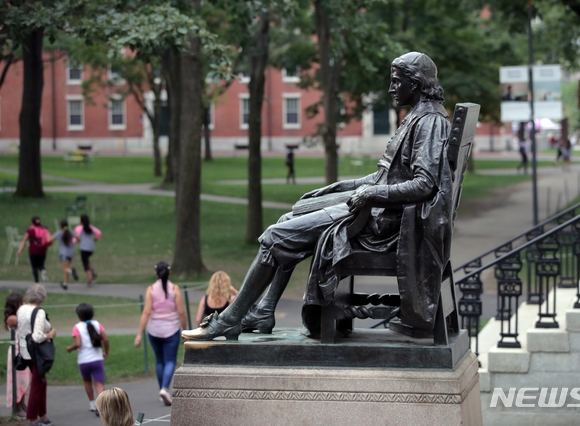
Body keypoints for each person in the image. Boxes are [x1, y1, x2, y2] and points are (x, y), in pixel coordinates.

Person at [183, 51, 454, 341]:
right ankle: (264, 309)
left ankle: (230, 318)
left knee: (276, 236)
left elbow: (425, 185)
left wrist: (371, 192)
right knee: (291, 216)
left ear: (416, 83)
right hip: (378, 212)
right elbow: (388, 176)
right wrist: (341, 187)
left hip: (383, 226)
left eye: (396, 82)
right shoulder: (419, 117)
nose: (391, 88)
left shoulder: (429, 123)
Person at [134, 261, 187, 406]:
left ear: (155, 273)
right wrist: (185, 329)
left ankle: (161, 389)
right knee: (170, 360)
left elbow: (146, 312)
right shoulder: (175, 289)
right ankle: (164, 388)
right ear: (169, 273)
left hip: (154, 331)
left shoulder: (150, 289)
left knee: (159, 361)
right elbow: (181, 312)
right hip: (172, 330)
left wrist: (139, 334)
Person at [17, 284, 55, 426]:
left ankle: (43, 415)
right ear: (43, 297)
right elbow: (37, 336)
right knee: (37, 384)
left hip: (24, 351)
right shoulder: (39, 312)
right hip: (36, 353)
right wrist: (50, 334)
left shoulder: (21, 309)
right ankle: (32, 418)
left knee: (41, 382)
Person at [66, 303, 110, 416]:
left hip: (84, 361)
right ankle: (102, 406)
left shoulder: (77, 327)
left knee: (87, 381)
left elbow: (78, 343)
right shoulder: (97, 324)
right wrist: (106, 352)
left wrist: (70, 348)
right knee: (99, 384)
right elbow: (105, 340)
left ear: (79, 316)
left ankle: (92, 403)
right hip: (97, 359)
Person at [4, 293, 31, 418]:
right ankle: (17, 405)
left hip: (25, 349)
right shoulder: (12, 318)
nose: (24, 304)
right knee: (18, 379)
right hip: (17, 351)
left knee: (25, 379)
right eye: (22, 302)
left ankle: (23, 403)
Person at [16, 217, 53, 283]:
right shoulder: (44, 229)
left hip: (33, 250)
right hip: (43, 250)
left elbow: (24, 241)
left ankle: (36, 282)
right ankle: (42, 270)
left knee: (34, 266)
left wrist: (20, 250)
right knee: (41, 264)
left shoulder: (30, 230)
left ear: (32, 222)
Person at [74, 214, 102, 286]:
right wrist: (95, 239)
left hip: (84, 248)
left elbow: (76, 237)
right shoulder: (91, 227)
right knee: (86, 260)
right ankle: (93, 271)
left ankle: (90, 280)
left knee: (85, 264)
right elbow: (99, 232)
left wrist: (73, 243)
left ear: (81, 221)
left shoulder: (79, 228)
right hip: (91, 248)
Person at [52, 219, 79, 290]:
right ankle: (65, 284)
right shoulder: (70, 232)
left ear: (60, 226)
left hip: (63, 253)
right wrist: (74, 242)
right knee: (67, 268)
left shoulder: (59, 232)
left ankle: (72, 271)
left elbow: (50, 239)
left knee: (65, 268)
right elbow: (79, 238)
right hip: (71, 253)